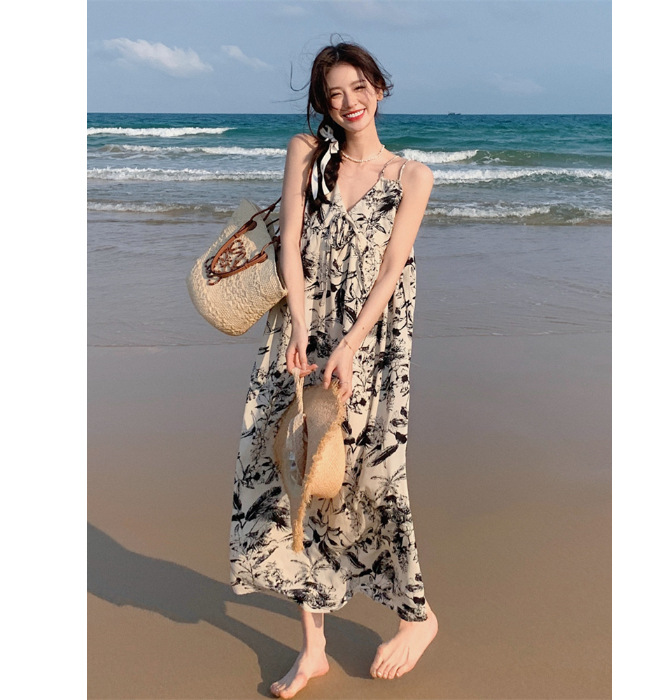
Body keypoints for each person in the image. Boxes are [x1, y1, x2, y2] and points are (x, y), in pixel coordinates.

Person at [229, 41, 438, 698]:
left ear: (379, 87)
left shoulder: (412, 176)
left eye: (359, 88)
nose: (349, 103)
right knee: (294, 476)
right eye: (335, 93)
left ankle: (418, 617)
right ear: (323, 102)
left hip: (370, 348)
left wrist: (348, 345)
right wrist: (299, 324)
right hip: (297, 338)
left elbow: (393, 268)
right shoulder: (307, 153)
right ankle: (313, 649)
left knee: (372, 478)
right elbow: (289, 245)